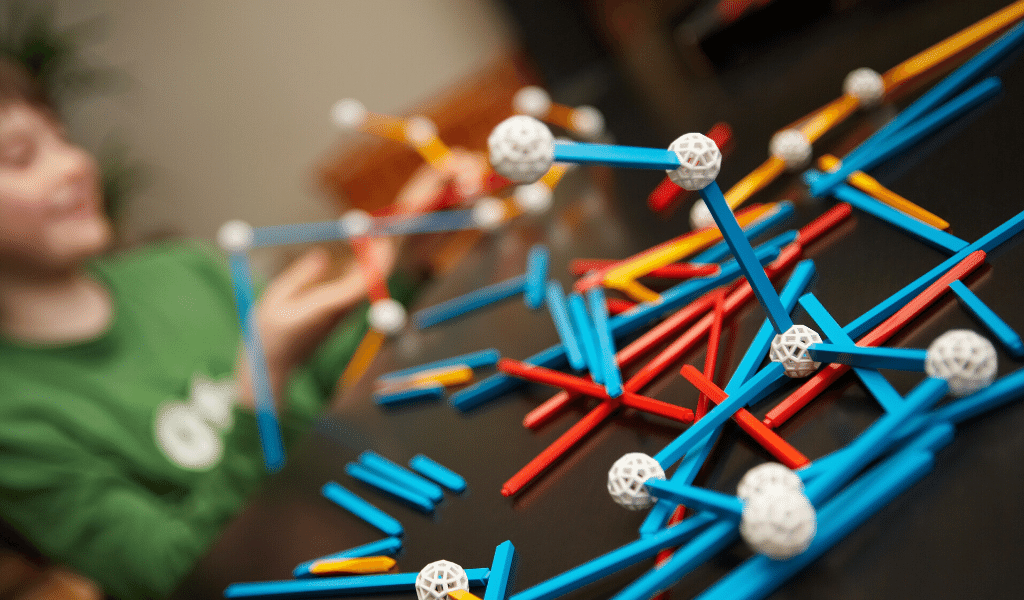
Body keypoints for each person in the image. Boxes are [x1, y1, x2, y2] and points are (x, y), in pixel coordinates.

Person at [0, 57, 483, 599]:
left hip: (395, 528)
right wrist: (261, 379)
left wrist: (403, 269)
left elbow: (326, 384)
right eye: (21, 158)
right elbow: (170, 576)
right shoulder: (11, 421)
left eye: (62, 138)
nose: (73, 164)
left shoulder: (181, 268)